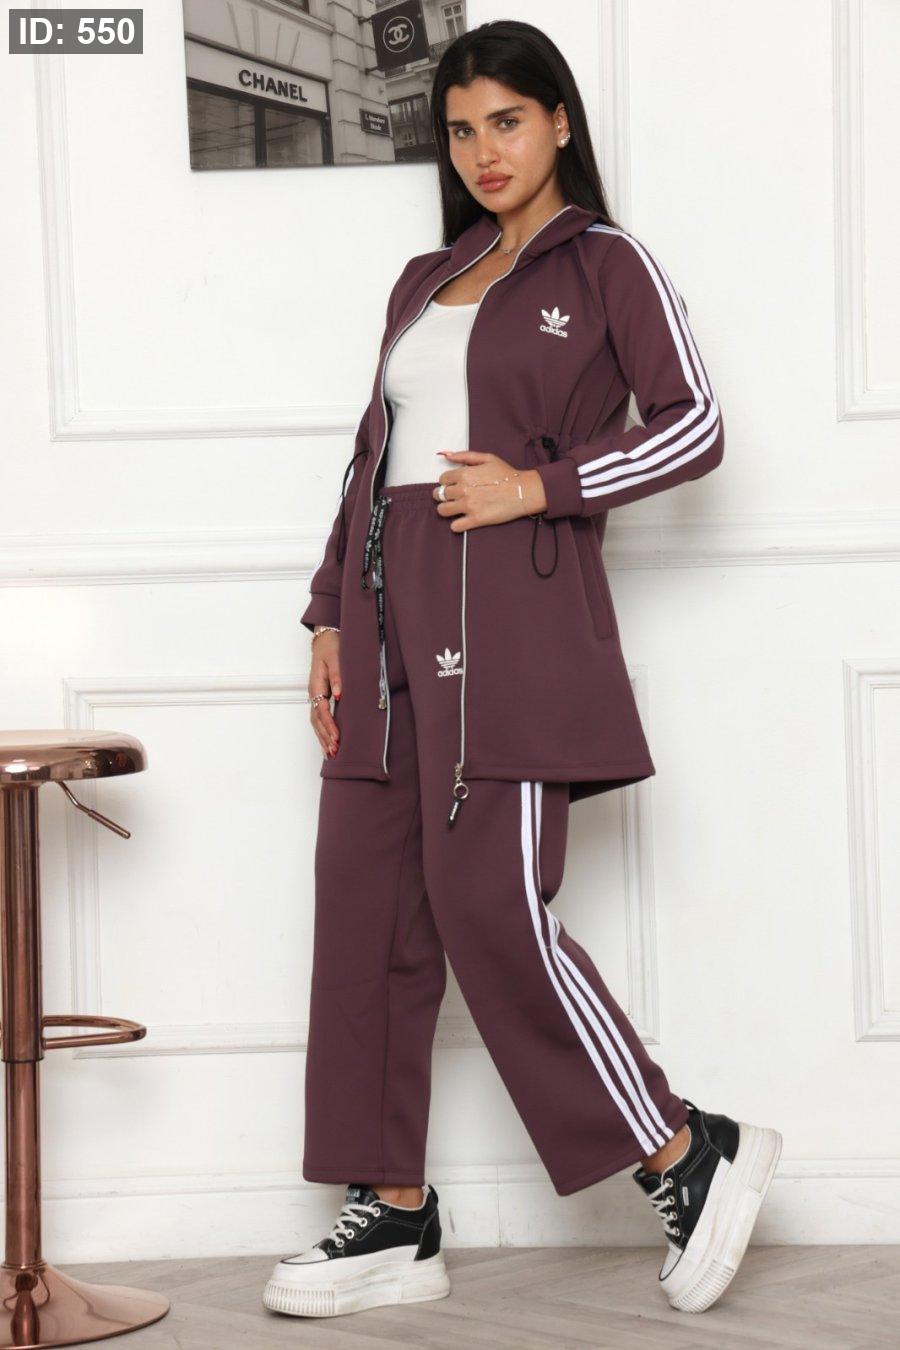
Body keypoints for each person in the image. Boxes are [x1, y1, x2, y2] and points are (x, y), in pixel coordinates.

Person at [264, 18, 781, 1324]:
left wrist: (539, 486)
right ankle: (392, 1213)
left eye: (506, 120)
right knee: (365, 909)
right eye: (460, 130)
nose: (484, 151)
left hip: (511, 627)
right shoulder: (423, 278)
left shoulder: (605, 263)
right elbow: (372, 456)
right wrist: (328, 614)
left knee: (491, 907)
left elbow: (696, 426)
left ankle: (683, 1149)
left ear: (557, 121)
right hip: (383, 623)